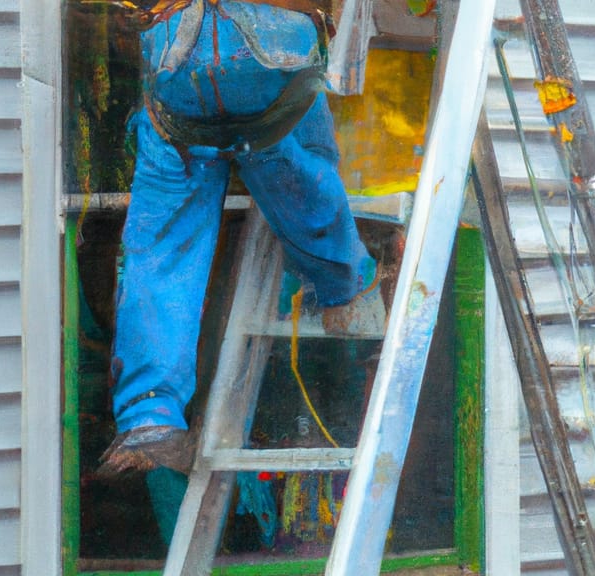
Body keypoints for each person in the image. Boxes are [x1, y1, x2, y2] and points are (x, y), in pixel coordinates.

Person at [98, 0, 384, 476]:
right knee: (301, 173)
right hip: (271, 57)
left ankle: (150, 416)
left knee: (163, 245)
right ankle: (343, 288)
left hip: (177, 64)